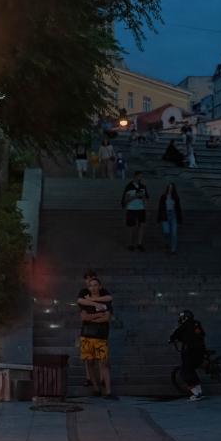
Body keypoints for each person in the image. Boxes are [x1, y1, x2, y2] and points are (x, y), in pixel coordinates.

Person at [77, 272, 117, 400]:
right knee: (89, 362)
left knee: (104, 363)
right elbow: (83, 317)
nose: (93, 287)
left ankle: (109, 391)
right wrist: (97, 316)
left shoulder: (106, 301)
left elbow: (107, 318)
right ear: (88, 288)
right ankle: (96, 388)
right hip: (87, 336)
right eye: (91, 285)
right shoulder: (85, 301)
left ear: (100, 286)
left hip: (101, 336)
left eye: (95, 285)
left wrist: (91, 318)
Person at [169, 310, 206, 402]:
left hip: (189, 351)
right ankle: (199, 393)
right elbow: (202, 334)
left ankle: (196, 394)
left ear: (184, 318)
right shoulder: (197, 324)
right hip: (201, 351)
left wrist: (171, 339)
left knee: (185, 372)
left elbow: (174, 335)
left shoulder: (183, 326)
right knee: (191, 370)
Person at [121, 171, 149, 252]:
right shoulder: (129, 186)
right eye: (139, 176)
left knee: (141, 226)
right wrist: (135, 196)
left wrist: (144, 199)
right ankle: (130, 244)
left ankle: (139, 244)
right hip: (131, 209)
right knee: (131, 227)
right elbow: (125, 200)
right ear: (135, 176)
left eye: (141, 177)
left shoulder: (143, 186)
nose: (140, 178)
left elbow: (146, 199)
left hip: (141, 209)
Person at [157, 183, 183, 254]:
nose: (170, 189)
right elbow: (160, 208)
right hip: (165, 215)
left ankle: (173, 249)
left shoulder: (176, 197)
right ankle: (167, 242)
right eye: (169, 187)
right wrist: (159, 218)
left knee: (174, 233)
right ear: (167, 188)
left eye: (171, 188)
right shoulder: (163, 196)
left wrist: (180, 219)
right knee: (166, 231)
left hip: (173, 215)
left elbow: (178, 208)